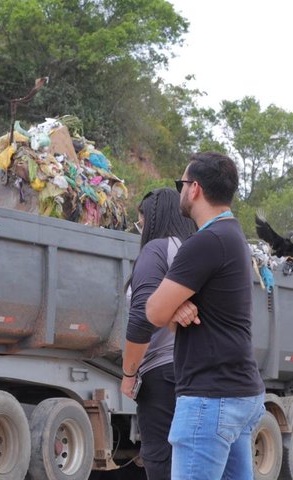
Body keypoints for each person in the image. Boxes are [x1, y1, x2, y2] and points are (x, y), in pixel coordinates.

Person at [146, 152, 265, 480]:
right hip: (240, 394)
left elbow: (154, 312)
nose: (180, 191)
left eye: (181, 184)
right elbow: (177, 313)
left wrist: (171, 307)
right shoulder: (233, 236)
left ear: (194, 188)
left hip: (209, 400)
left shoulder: (204, 242)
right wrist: (177, 308)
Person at [121, 188, 196, 480]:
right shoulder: (193, 250)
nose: (139, 226)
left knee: (160, 458)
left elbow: (141, 317)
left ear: (152, 218)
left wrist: (129, 373)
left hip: (161, 373)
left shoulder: (157, 250)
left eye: (141, 219)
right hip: (195, 368)